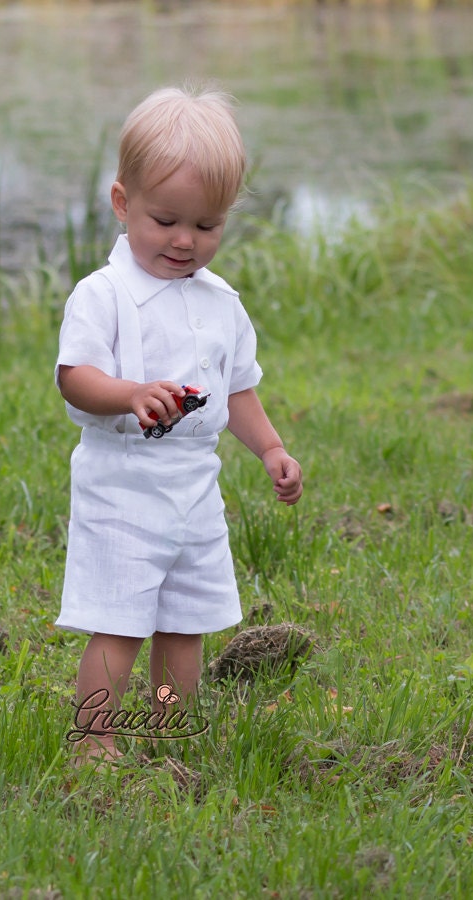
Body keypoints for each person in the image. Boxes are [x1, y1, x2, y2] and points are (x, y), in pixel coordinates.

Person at [55, 85, 303, 764]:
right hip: (123, 486)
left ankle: (169, 729)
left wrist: (271, 448)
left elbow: (239, 392)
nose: (185, 241)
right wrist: (130, 393)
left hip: (195, 491)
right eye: (166, 220)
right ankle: (96, 739)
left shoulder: (222, 304)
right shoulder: (103, 296)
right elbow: (74, 375)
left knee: (185, 623)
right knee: (118, 623)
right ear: (122, 202)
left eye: (207, 225)